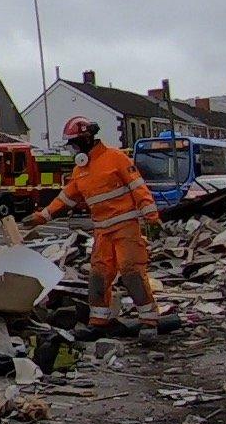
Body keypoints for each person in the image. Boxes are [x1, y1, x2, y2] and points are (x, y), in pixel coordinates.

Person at [23, 116, 166, 340]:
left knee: (132, 272)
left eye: (75, 144)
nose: (73, 149)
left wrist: (151, 217)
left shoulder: (115, 158)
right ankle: (99, 321)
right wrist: (42, 216)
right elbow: (66, 198)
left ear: (87, 139)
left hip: (126, 227)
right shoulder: (81, 171)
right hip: (103, 232)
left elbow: (138, 188)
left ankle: (149, 320)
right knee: (98, 275)